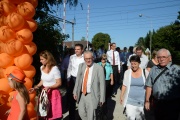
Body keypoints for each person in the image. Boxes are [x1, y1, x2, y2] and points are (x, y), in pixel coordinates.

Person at [145, 48, 180, 120]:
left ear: (170, 58)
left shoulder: (177, 70)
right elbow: (149, 86)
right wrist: (147, 100)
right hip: (158, 104)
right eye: (159, 57)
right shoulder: (153, 69)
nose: (161, 59)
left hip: (173, 104)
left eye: (164, 57)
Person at [29, 50, 62, 119]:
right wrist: (36, 87)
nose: (40, 61)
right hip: (44, 92)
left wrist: (49, 87)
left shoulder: (54, 69)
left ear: (48, 59)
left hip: (53, 93)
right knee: (43, 112)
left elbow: (59, 83)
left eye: (42, 59)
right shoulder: (42, 68)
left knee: (52, 114)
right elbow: (43, 80)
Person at [73, 50, 106, 120]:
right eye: (86, 59)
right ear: (84, 59)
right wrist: (75, 91)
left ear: (93, 58)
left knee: (91, 115)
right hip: (82, 94)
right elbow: (78, 80)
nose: (88, 60)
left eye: (89, 58)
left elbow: (102, 84)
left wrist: (102, 98)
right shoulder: (81, 66)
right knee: (81, 112)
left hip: (92, 95)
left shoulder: (99, 68)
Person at [120, 55, 149, 120]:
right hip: (130, 101)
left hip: (141, 101)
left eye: (135, 64)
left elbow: (148, 86)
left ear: (139, 63)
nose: (133, 66)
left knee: (140, 118)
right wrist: (121, 96)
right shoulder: (127, 72)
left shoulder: (145, 72)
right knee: (130, 117)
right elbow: (124, 85)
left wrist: (148, 99)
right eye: (132, 64)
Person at [66, 43, 84, 120]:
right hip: (73, 79)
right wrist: (68, 78)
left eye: (78, 49)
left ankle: (81, 116)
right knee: (71, 99)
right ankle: (72, 117)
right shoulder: (72, 57)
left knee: (81, 99)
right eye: (75, 49)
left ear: (82, 50)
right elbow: (69, 68)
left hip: (82, 79)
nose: (76, 51)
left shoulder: (84, 58)